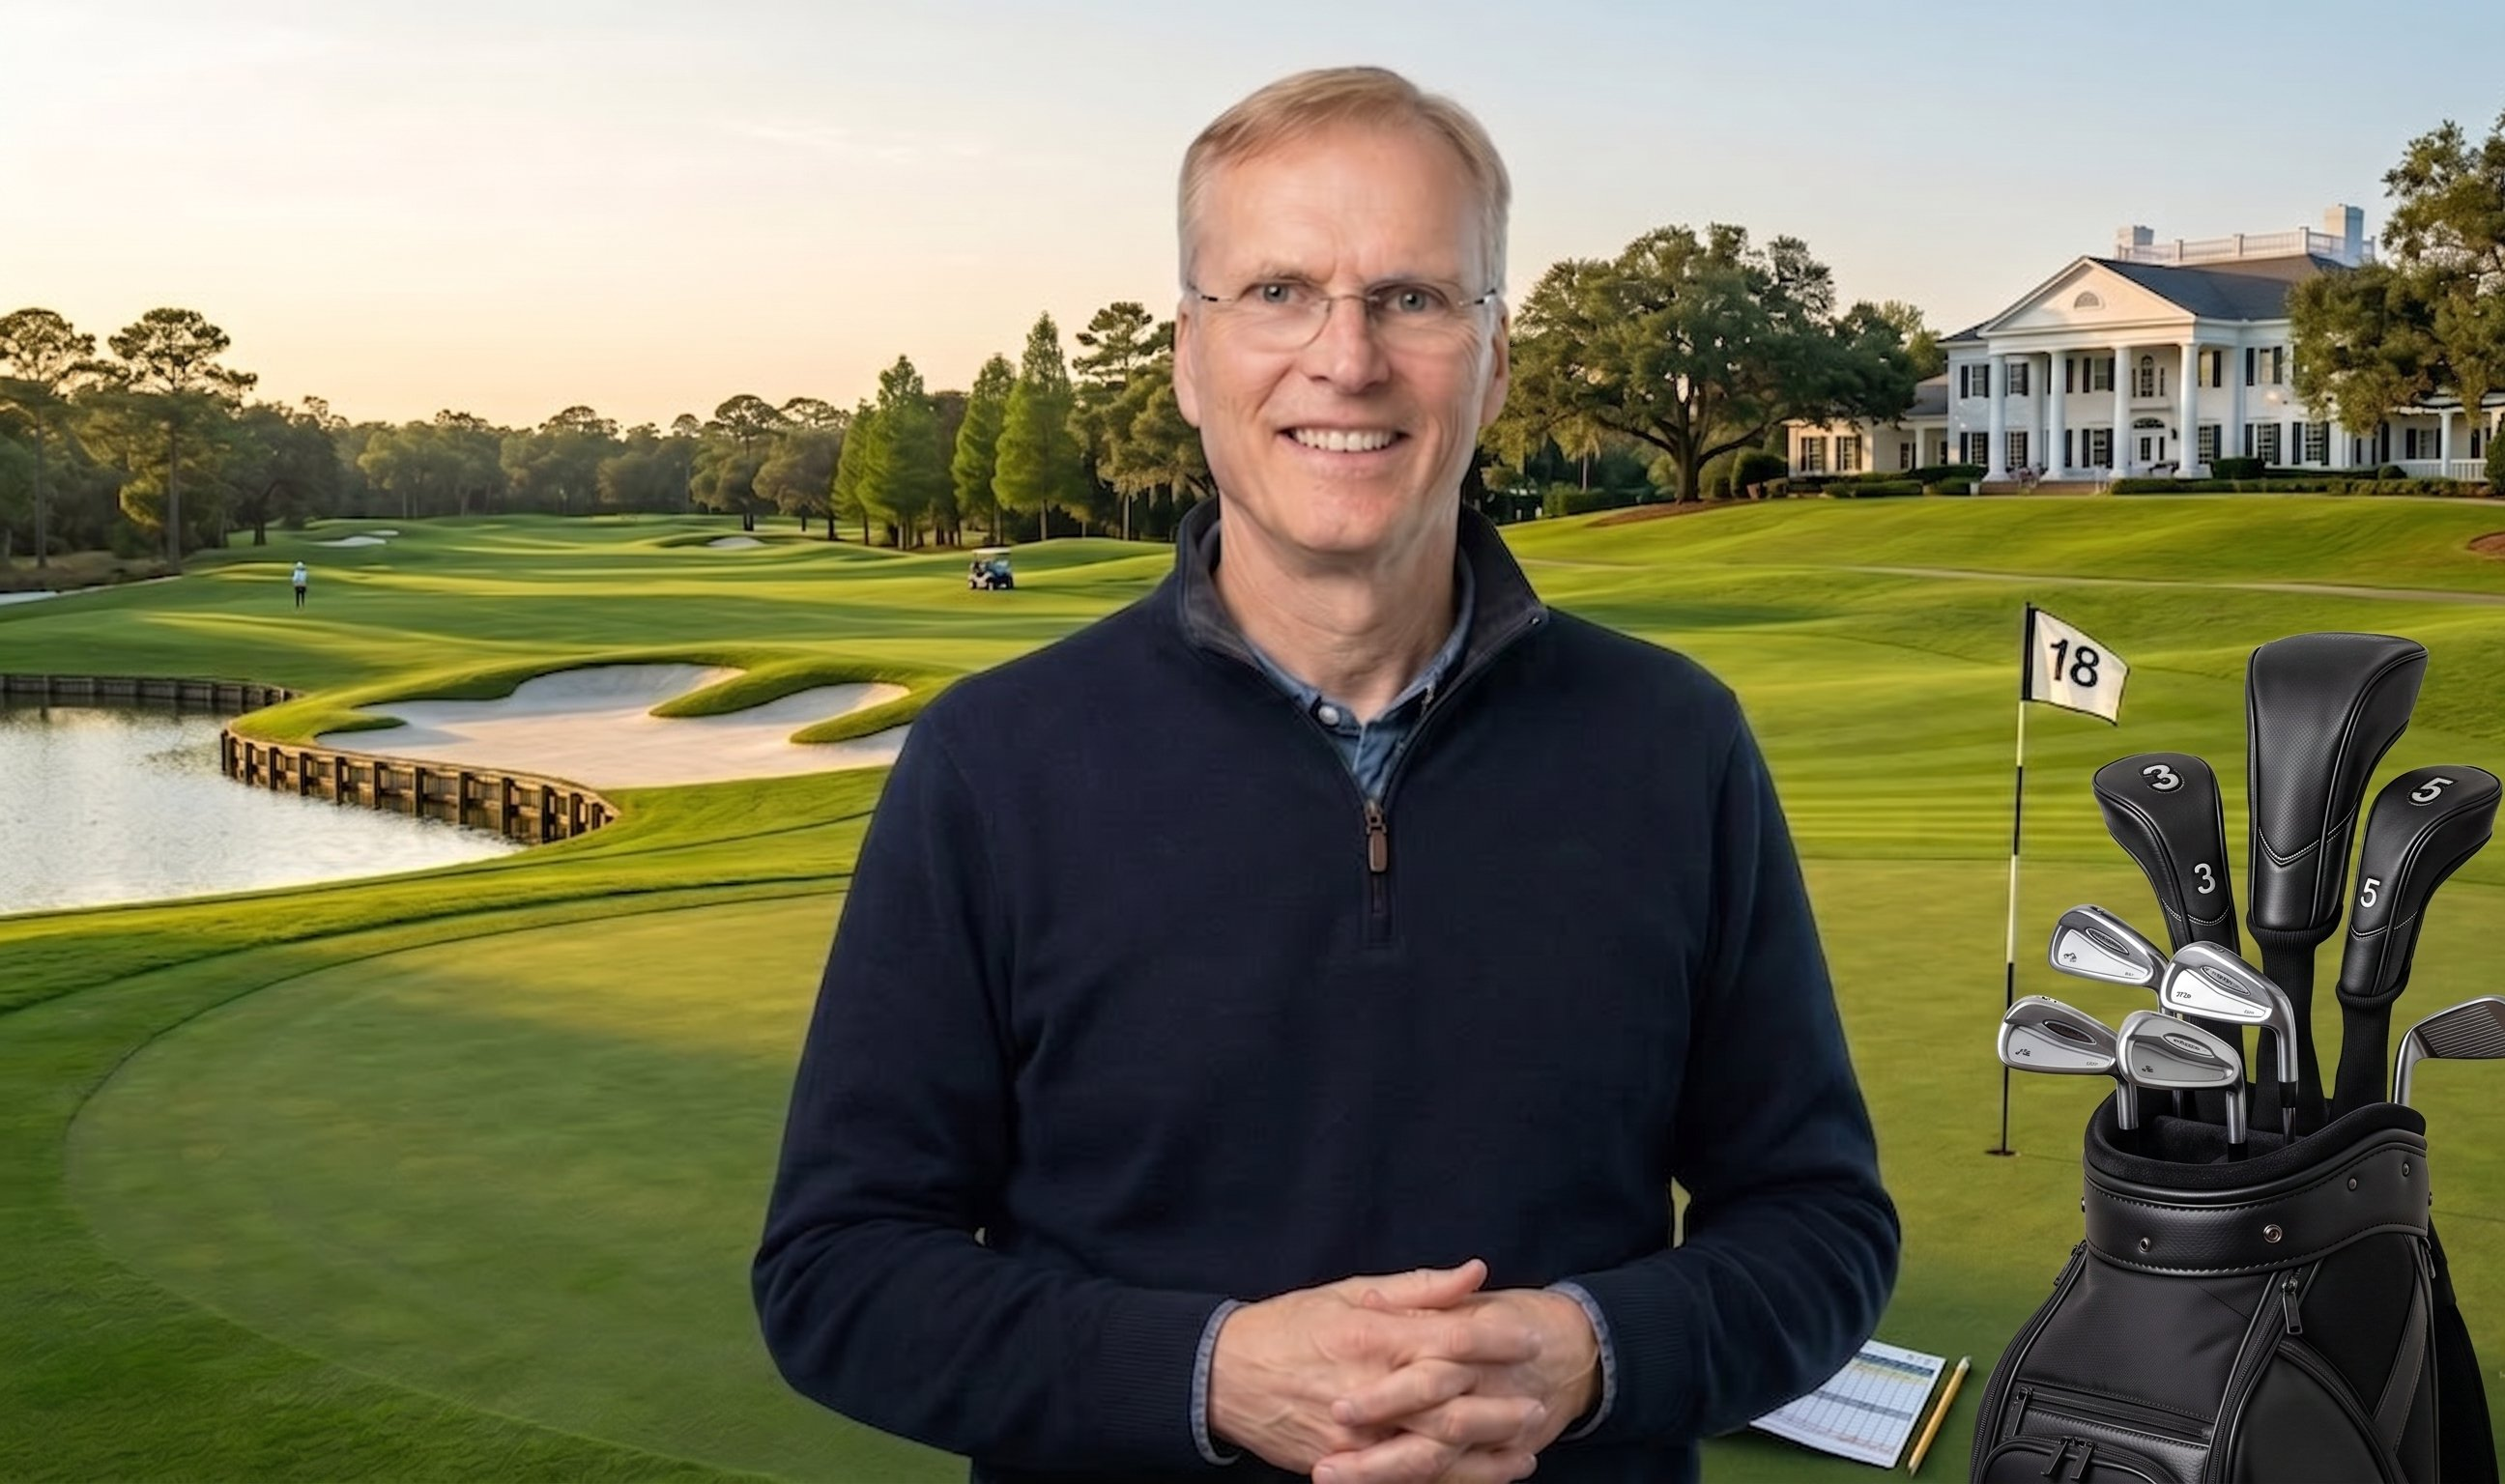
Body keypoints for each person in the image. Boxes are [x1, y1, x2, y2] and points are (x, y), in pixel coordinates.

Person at [755, 67, 1897, 1484]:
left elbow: (1820, 1226)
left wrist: (1593, 1352)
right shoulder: (996, 761)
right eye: (1279, 292)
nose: (1345, 360)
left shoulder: (1671, 742)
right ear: (1188, 353)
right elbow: (838, 1274)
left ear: (1491, 357)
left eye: (1413, 298)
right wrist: (1208, 1376)